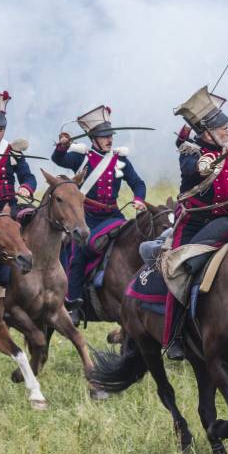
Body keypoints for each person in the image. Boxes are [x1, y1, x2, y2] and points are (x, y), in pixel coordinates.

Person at [165, 86, 228, 359]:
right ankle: (174, 336)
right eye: (223, 127)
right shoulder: (191, 152)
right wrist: (204, 166)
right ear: (207, 131)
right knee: (178, 273)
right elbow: (191, 170)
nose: (227, 130)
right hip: (193, 224)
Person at [52, 105, 146, 312]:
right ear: (93, 138)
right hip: (87, 217)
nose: (109, 139)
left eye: (110, 135)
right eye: (104, 136)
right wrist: (62, 147)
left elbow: (138, 183)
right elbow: (58, 160)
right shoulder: (80, 157)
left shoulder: (120, 159)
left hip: (113, 214)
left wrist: (139, 198)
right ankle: (72, 304)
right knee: (79, 255)